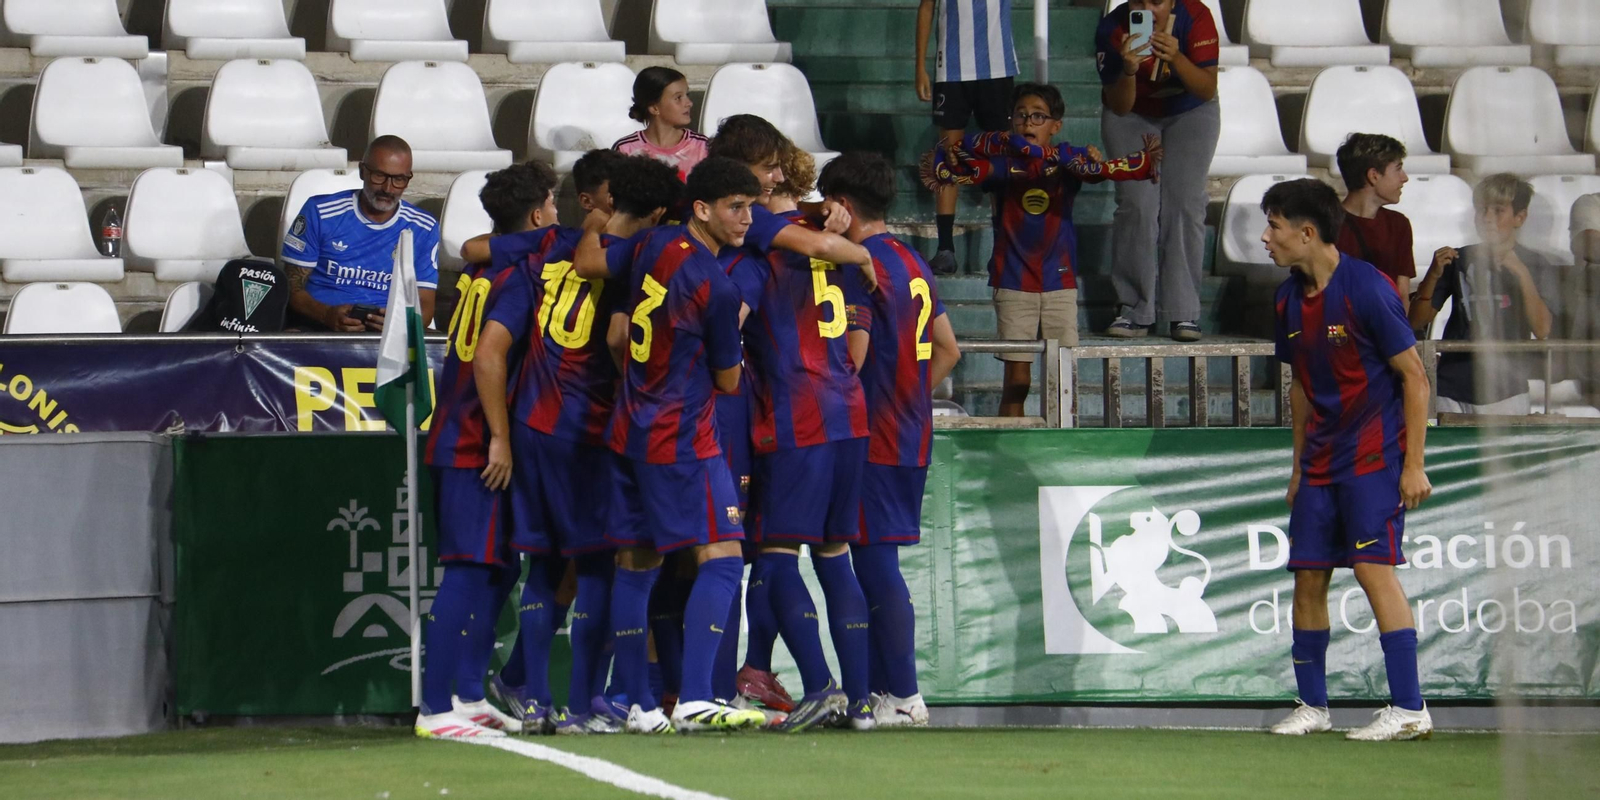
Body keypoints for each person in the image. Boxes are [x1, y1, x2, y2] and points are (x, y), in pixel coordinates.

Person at [570, 157, 770, 734]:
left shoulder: (653, 242)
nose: (747, 218)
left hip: (629, 425)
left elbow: (601, 287)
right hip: (681, 434)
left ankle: (638, 703)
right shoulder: (716, 285)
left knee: (636, 563)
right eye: (736, 207)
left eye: (751, 208)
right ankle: (697, 696)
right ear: (702, 209)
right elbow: (728, 381)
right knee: (723, 558)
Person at [1262, 178, 1433, 742]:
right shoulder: (1286, 299)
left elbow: (1414, 377)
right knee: (1308, 576)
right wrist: (1297, 467)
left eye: (1274, 226)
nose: (1266, 237)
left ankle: (1410, 708)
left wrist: (1413, 464)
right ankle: (1313, 706)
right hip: (1319, 462)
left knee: (1371, 569)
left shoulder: (1369, 289)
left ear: (1307, 233)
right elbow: (1301, 385)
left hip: (1373, 457)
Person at [727, 145, 878, 731]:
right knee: (836, 556)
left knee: (777, 554)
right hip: (849, 412)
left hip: (796, 415)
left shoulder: (762, 245)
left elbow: (727, 328)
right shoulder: (832, 243)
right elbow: (858, 345)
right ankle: (861, 703)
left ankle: (818, 686)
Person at [413, 163, 562, 740]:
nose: (557, 214)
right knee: (469, 571)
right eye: (552, 205)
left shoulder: (483, 265)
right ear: (537, 213)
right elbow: (489, 355)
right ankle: (434, 708)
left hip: (464, 432)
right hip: (472, 440)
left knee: (499, 568)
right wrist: (499, 436)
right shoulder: (518, 276)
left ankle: (471, 695)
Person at [822, 151, 960, 727]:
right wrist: (909, 392)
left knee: (875, 563)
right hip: (911, 429)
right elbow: (949, 349)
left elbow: (852, 357)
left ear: (842, 205)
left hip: (872, 432)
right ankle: (886, 692)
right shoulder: (912, 259)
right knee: (876, 559)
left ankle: (903, 693)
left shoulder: (858, 265)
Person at [926, 82, 1161, 416]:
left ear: (1056, 125)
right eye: (1020, 115)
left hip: (1059, 283)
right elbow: (966, 161)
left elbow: (1097, 172)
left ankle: (1060, 442)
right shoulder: (1001, 164)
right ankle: (1012, 441)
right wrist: (957, 158)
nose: (1028, 122)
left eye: (1038, 116)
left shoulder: (1067, 162)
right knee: (1017, 381)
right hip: (1013, 281)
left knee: (1063, 381)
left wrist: (1095, 159)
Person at [1096, 0, 1220, 342]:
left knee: (1185, 203)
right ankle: (1134, 308)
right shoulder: (1112, 28)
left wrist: (1176, 58)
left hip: (1190, 111)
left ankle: (1183, 312)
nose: (1149, 10)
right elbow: (1120, 106)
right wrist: (1128, 70)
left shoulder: (1196, 17)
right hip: (1132, 114)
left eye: (1157, 2)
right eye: (1140, 2)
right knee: (1137, 204)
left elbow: (1207, 88)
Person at [1409, 174, 1555, 416]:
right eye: (1481, 209)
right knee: (1442, 439)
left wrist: (1521, 273)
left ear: (1519, 217)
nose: (1487, 218)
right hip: (1450, 386)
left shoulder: (1535, 263)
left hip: (1507, 390)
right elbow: (1416, 321)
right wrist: (1432, 276)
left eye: (1498, 211)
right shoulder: (1457, 259)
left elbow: (1542, 329)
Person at [282, 135, 439, 332]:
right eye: (379, 176)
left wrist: (399, 325)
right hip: (319, 326)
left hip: (389, 336)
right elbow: (291, 289)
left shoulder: (423, 227)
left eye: (399, 179)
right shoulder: (320, 212)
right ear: (362, 171)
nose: (387, 188)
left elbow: (425, 305)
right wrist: (326, 314)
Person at [915, 0, 1019, 275]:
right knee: (949, 156)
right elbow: (927, 6)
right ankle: (945, 248)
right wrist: (920, 66)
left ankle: (1001, 249)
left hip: (997, 67)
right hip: (950, 67)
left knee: (1000, 158)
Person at [1334, 133, 1418, 313]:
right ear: (1373, 176)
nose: (1404, 178)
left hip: (1385, 327)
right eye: (1398, 169)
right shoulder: (1324, 225)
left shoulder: (1399, 225)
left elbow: (1402, 295)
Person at [612, 66, 710, 181]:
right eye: (678, 98)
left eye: (687, 95)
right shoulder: (625, 149)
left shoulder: (703, 147)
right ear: (654, 108)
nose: (689, 103)